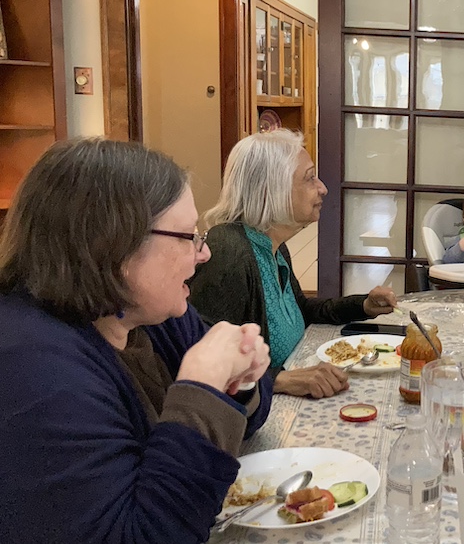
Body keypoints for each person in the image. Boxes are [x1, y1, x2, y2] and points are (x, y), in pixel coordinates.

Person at [0, 139, 273, 543]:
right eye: (188, 236)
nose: (204, 253)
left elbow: (251, 415)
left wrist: (241, 379)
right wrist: (201, 391)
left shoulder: (148, 315)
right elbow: (139, 535)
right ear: (115, 247)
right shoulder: (35, 369)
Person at [188, 129, 398, 399]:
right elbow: (201, 363)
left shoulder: (272, 245)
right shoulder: (228, 253)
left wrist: (362, 305)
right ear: (271, 190)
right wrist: (279, 380)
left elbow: (299, 310)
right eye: (310, 178)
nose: (323, 188)